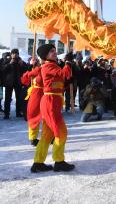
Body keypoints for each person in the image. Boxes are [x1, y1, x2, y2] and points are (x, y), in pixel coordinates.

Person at [31, 44, 75, 173]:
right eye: (51, 51)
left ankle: (38, 163)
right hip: (50, 102)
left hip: (52, 101)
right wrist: (68, 63)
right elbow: (64, 74)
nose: (55, 53)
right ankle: (59, 161)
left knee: (47, 134)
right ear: (45, 55)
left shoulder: (52, 66)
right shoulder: (48, 66)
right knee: (61, 133)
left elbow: (61, 80)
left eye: (55, 51)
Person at [21, 57, 44, 146]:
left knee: (48, 116)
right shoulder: (36, 69)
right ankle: (33, 138)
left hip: (46, 94)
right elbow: (24, 79)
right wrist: (30, 66)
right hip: (36, 95)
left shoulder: (44, 68)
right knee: (34, 115)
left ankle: (50, 136)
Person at [1, 48, 28, 119]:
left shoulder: (21, 61)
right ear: (11, 54)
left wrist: (22, 65)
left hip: (18, 83)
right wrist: (9, 64)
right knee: (7, 99)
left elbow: (26, 70)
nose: (14, 55)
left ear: (18, 54)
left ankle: (18, 112)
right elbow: (2, 70)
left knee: (19, 98)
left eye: (16, 53)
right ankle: (6, 114)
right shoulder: (7, 60)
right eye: (13, 53)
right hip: (9, 83)